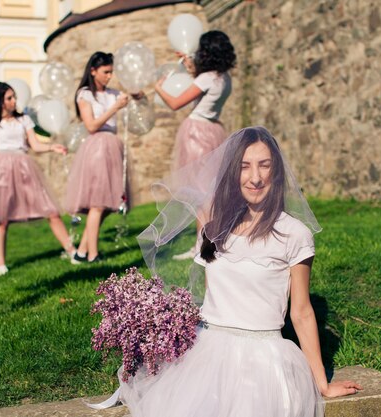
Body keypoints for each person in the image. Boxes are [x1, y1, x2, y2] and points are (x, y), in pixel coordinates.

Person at [120, 126, 362, 416]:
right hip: (207, 351)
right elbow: (213, 296)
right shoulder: (213, 228)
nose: (255, 177)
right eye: (245, 167)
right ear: (232, 173)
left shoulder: (294, 234)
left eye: (264, 165)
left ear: (277, 171)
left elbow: (301, 312)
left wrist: (322, 384)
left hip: (263, 357)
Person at [154, 30, 236, 260]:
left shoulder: (207, 78)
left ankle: (203, 245)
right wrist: (190, 64)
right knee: (208, 191)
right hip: (214, 130)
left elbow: (175, 103)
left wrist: (158, 87)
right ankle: (206, 242)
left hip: (196, 133)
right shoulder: (224, 78)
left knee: (200, 194)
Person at [0, 82, 76, 275]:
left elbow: (34, 144)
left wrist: (52, 147)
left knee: (51, 210)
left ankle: (72, 251)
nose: (14, 101)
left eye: (14, 97)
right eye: (9, 98)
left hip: (24, 166)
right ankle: (1, 265)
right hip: (1, 170)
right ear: (0, 101)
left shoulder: (23, 119)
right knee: (1, 219)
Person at [65, 52, 129, 263]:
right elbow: (91, 125)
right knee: (97, 203)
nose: (109, 76)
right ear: (93, 71)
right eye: (105, 72)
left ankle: (81, 251)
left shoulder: (113, 93)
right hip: (97, 147)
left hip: (112, 146)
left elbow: (128, 98)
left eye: (111, 72)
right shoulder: (85, 94)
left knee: (110, 203)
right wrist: (114, 108)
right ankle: (92, 254)